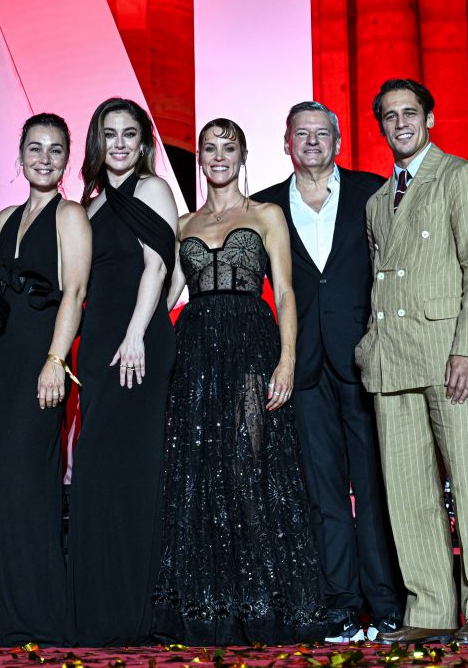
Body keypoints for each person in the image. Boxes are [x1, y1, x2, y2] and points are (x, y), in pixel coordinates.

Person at [153, 118, 327, 645]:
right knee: (198, 473)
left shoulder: (266, 214)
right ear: (200, 158)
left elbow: (287, 293)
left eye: (228, 148)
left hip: (252, 345)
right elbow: (166, 297)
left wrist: (288, 361)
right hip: (195, 352)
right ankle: (211, 606)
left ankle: (263, 602)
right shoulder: (182, 224)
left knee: (249, 468)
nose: (218, 156)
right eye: (210, 148)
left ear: (243, 156)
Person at [355, 78, 468, 646]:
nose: (401, 124)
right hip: (393, 358)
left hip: (449, 356)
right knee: (408, 493)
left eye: (409, 113)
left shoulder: (461, 177)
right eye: (390, 116)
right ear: (381, 126)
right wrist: (370, 347)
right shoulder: (376, 202)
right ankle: (431, 610)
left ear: (430, 118)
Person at [253, 101, 402, 641]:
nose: (312, 141)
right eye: (302, 133)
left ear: (338, 142)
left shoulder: (372, 192)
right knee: (324, 494)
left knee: (375, 488)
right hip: (302, 366)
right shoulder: (265, 205)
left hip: (365, 360)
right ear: (286, 143)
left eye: (322, 133)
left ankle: (385, 604)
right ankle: (340, 604)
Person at [0, 113, 92, 646]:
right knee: (6, 482)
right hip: (3, 358)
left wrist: (55, 361)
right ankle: (2, 614)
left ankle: (40, 614)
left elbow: (75, 292)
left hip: (42, 359)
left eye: (55, 150)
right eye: (35, 149)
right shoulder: (3, 219)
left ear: (67, 160)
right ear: (20, 157)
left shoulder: (71, 215)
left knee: (34, 481)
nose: (44, 159)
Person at [68, 98, 178, 646]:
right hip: (97, 345)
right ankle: (97, 608)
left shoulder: (152, 189)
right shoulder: (87, 207)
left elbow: (159, 266)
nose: (118, 144)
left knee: (135, 470)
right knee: (95, 470)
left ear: (142, 143)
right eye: (109, 134)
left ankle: (135, 610)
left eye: (128, 134)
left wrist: (139, 333)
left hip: (136, 343)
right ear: (97, 141)